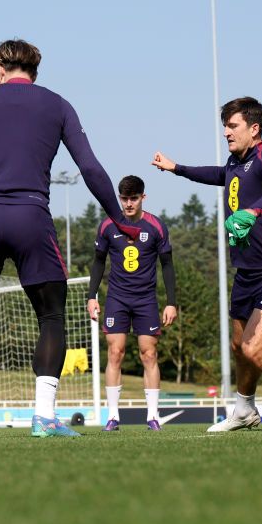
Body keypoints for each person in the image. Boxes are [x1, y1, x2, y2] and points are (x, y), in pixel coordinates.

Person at [0, 39, 140, 439]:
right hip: (31, 215)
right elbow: (91, 169)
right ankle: (43, 417)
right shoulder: (57, 104)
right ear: (34, 71)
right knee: (51, 317)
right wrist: (117, 218)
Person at [153, 97, 262, 432]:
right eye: (225, 126)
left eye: (232, 126)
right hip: (248, 273)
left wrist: (253, 211)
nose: (226, 132)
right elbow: (216, 174)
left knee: (254, 347)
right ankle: (244, 409)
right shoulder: (235, 163)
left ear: (254, 128)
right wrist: (177, 168)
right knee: (238, 345)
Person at [87, 176, 177, 431]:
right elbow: (98, 262)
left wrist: (171, 302)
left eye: (133, 198)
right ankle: (113, 416)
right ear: (119, 199)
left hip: (146, 299)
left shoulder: (156, 226)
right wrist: (91, 296)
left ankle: (153, 417)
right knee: (115, 353)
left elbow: (167, 265)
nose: (128, 204)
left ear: (143, 198)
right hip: (116, 298)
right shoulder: (107, 226)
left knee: (149, 354)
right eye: (124, 199)